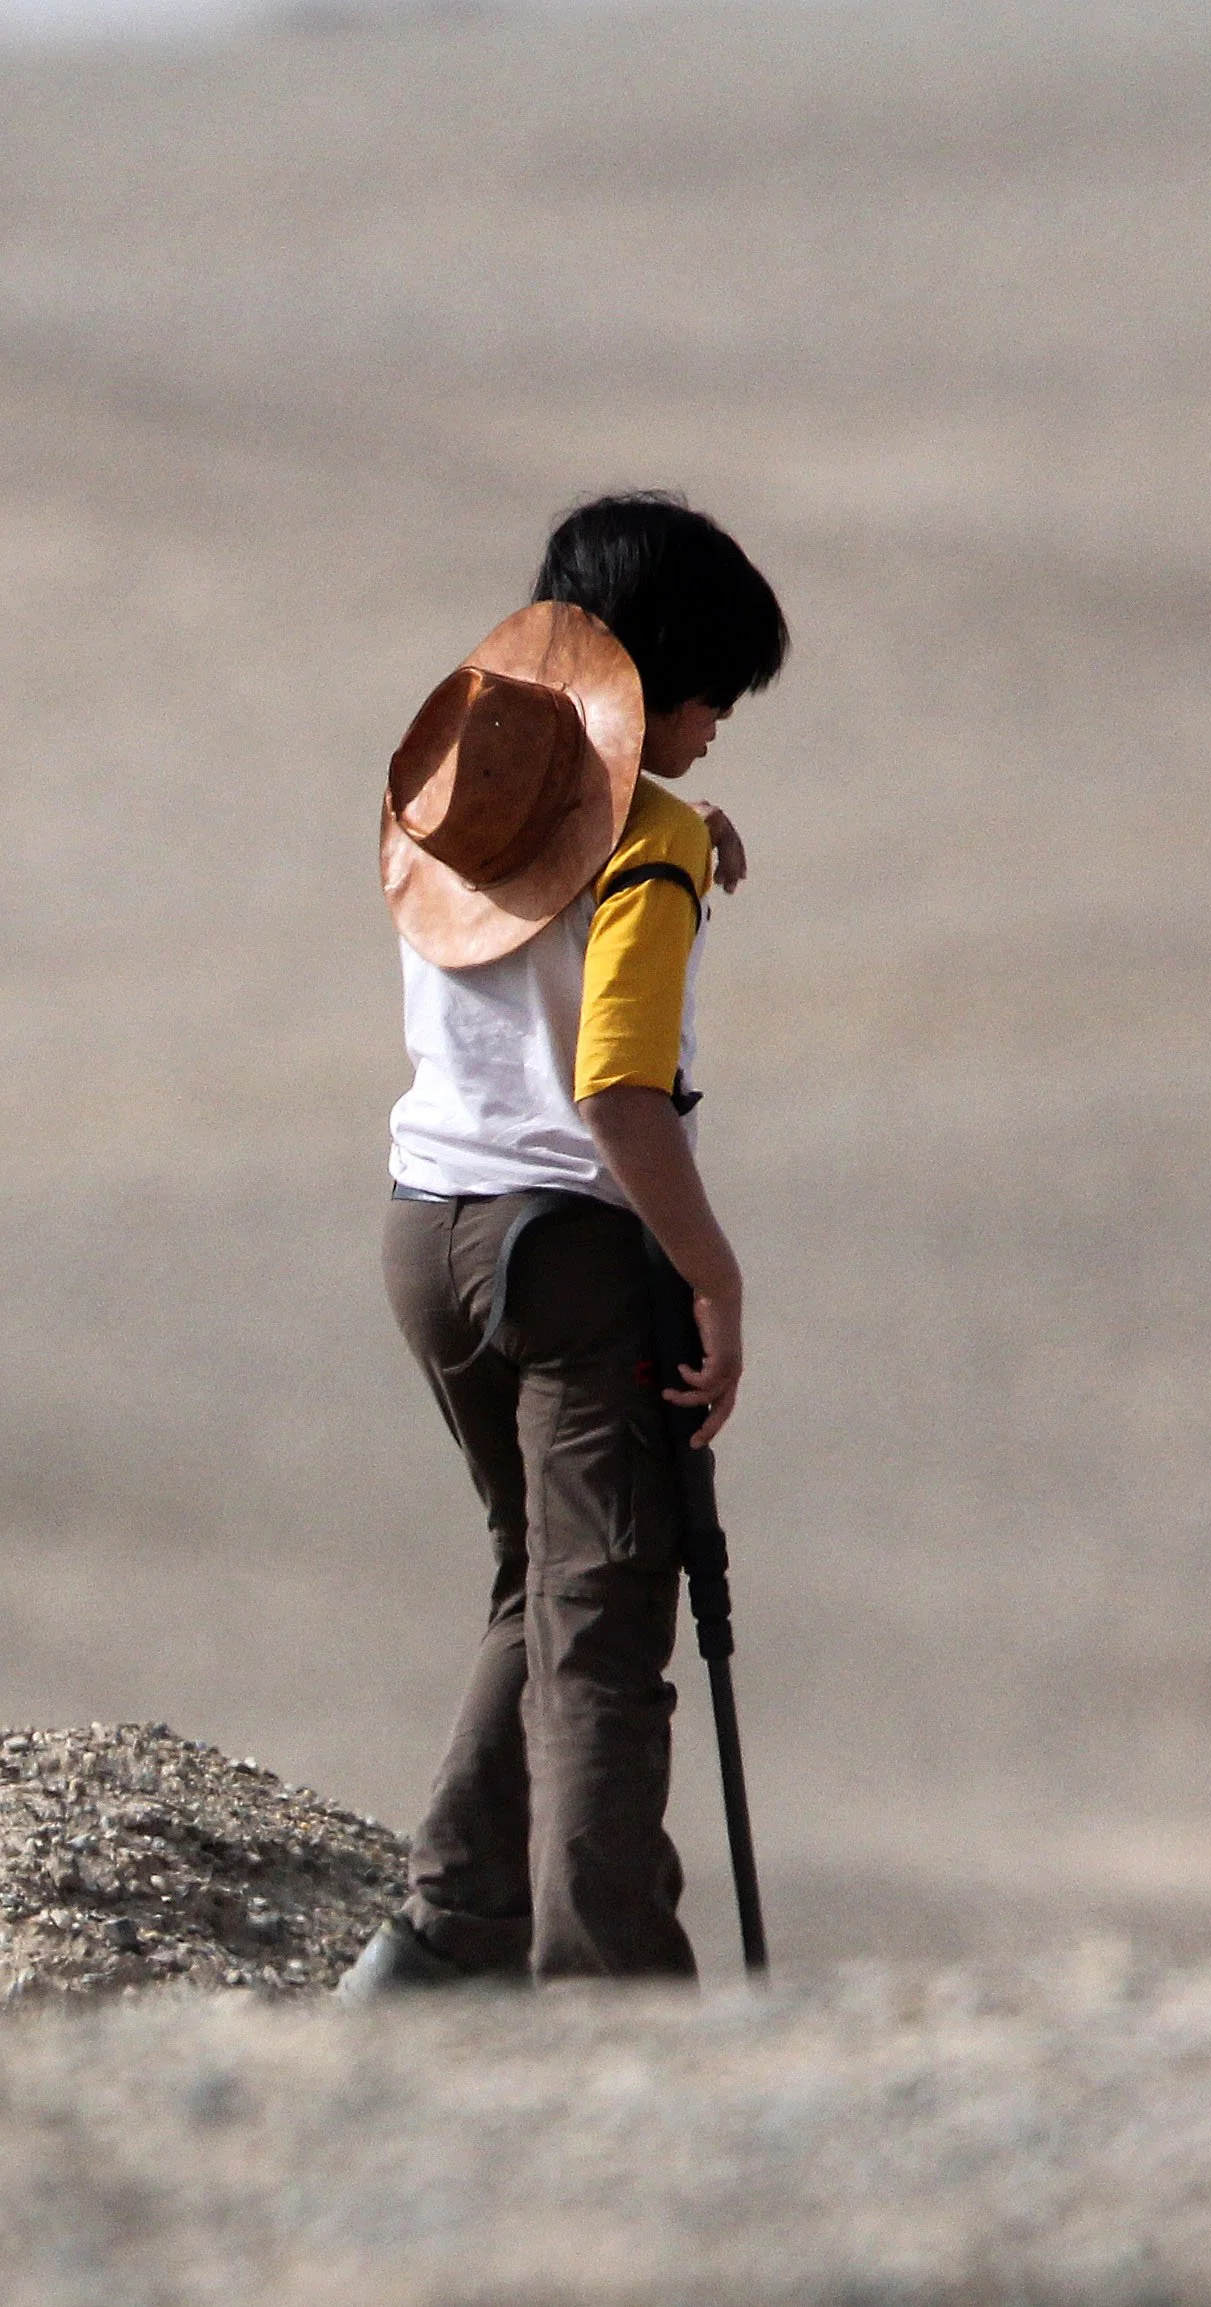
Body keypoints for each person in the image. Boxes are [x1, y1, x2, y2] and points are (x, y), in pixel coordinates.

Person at [338, 494, 788, 1997]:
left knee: (536, 1580)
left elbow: (555, 883)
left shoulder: (457, 791)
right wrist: (714, 1277)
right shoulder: (650, 843)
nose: (716, 726)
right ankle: (610, 2000)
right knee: (604, 1628)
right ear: (655, 675)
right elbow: (616, 1090)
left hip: (428, 1233)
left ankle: (440, 1943)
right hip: (569, 1256)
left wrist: (679, 831)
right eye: (711, 695)